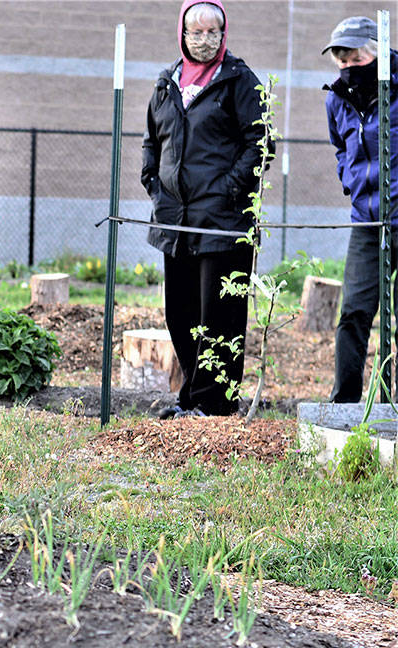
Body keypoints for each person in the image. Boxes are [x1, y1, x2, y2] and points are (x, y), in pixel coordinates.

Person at [141, 0, 269, 418]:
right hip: (174, 222)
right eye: (195, 32)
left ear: (224, 33)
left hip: (223, 223)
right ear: (182, 33)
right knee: (181, 314)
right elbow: (151, 141)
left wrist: (229, 190)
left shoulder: (240, 81)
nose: (204, 39)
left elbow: (261, 144)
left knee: (220, 317)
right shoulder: (167, 83)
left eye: (212, 31)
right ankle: (192, 399)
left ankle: (215, 405)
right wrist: (153, 183)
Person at [322, 15, 398, 403]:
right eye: (342, 61)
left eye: (356, 59)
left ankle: (391, 403)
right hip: (366, 222)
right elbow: (341, 148)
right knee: (353, 313)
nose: (349, 68)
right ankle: (345, 404)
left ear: (378, 53)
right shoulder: (336, 98)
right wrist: (350, 181)